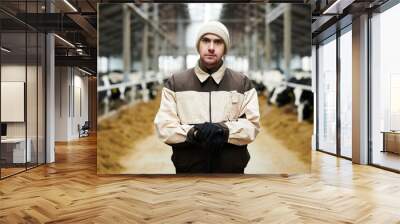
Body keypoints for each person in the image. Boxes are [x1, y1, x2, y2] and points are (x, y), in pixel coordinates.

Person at [154, 21, 260, 173]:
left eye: (218, 42)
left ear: (225, 48)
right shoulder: (176, 83)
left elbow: (252, 126)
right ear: (198, 46)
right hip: (188, 171)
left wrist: (223, 131)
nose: (211, 47)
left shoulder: (242, 83)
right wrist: (194, 133)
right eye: (206, 41)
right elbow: (164, 127)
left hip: (231, 172)